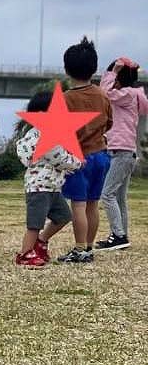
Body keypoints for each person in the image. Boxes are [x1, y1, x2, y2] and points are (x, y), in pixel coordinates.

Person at [46, 37, 112, 263]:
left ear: (67, 69)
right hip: (101, 156)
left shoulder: (66, 99)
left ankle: (79, 248)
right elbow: (109, 122)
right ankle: (89, 247)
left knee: (79, 205)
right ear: (94, 67)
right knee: (93, 203)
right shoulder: (103, 95)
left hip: (78, 159)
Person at [15, 92, 82, 267]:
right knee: (35, 223)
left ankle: (41, 242)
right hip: (39, 188)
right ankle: (25, 253)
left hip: (52, 187)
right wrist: (78, 163)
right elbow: (58, 157)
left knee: (63, 216)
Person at [95, 57, 147, 251]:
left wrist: (113, 71)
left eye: (115, 78)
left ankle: (118, 235)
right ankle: (121, 235)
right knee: (118, 197)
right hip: (126, 153)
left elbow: (103, 93)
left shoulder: (126, 94)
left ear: (120, 78)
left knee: (107, 194)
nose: (112, 81)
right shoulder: (130, 95)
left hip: (121, 153)